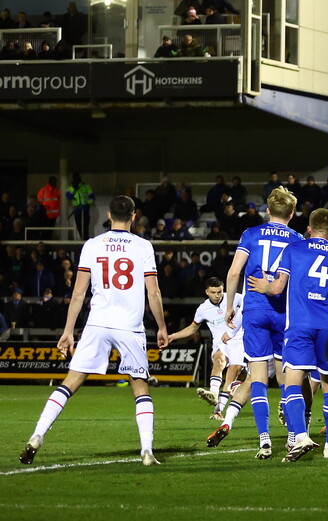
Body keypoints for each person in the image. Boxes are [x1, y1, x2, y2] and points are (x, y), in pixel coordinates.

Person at [19, 195, 168, 467]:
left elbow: (78, 293)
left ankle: (37, 435)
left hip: (97, 322)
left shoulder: (92, 244)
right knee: (140, 386)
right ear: (134, 216)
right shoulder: (143, 246)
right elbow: (153, 292)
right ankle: (147, 450)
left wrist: (68, 331)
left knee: (70, 382)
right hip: (129, 326)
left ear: (109, 215)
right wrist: (161, 327)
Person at [244, 207, 328, 461]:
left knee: (292, 381)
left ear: (309, 229)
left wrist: (264, 286)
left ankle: (300, 437)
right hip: (327, 325)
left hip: (300, 325)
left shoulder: (294, 249)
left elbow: (278, 288)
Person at [206, 187, 302, 459]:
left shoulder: (251, 234)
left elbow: (234, 272)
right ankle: (292, 436)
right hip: (283, 313)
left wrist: (229, 307)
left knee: (257, 377)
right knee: (285, 376)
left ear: (268, 210)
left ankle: (264, 440)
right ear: (292, 214)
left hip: (255, 311)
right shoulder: (297, 239)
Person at [166, 277, 245, 419]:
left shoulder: (235, 298)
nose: (217, 295)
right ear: (207, 292)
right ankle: (213, 393)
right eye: (213, 292)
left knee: (233, 372)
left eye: (219, 292)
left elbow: (250, 307)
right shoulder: (203, 309)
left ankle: (218, 409)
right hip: (220, 342)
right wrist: (173, 336)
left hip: (238, 339)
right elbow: (192, 328)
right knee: (219, 361)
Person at [65, 173, 94, 240]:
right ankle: (82, 239)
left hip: (85, 209)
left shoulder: (86, 186)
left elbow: (92, 197)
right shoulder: (70, 188)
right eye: (75, 179)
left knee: (85, 226)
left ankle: (86, 240)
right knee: (79, 226)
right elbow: (68, 196)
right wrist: (73, 188)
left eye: (77, 178)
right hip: (76, 210)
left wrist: (87, 204)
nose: (76, 180)